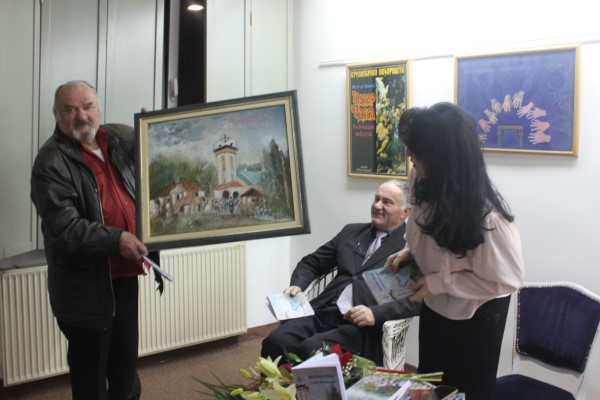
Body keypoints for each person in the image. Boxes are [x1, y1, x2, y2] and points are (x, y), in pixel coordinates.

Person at [386, 102, 525, 400]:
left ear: (442, 156)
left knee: (465, 391)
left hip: (477, 315)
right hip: (436, 302)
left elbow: (507, 280)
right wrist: (411, 250)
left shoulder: (489, 218)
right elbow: (427, 229)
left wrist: (439, 282)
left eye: (417, 150)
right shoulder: (422, 179)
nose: (409, 156)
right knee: (429, 383)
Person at [30, 80, 155, 400]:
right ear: (57, 115)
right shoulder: (49, 162)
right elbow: (66, 228)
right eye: (70, 110)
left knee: (125, 370)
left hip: (124, 279)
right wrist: (117, 240)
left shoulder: (121, 138)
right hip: (84, 289)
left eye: (87, 107)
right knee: (91, 379)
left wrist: (157, 131)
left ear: (99, 109)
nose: (81, 115)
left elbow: (155, 164)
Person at [261, 180, 421, 366]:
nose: (377, 205)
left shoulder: (410, 248)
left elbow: (417, 299)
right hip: (323, 310)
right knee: (276, 341)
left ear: (405, 212)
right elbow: (312, 262)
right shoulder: (351, 232)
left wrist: (374, 313)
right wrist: (298, 284)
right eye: (376, 199)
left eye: (386, 202)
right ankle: (277, 385)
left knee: (310, 350)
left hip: (360, 326)